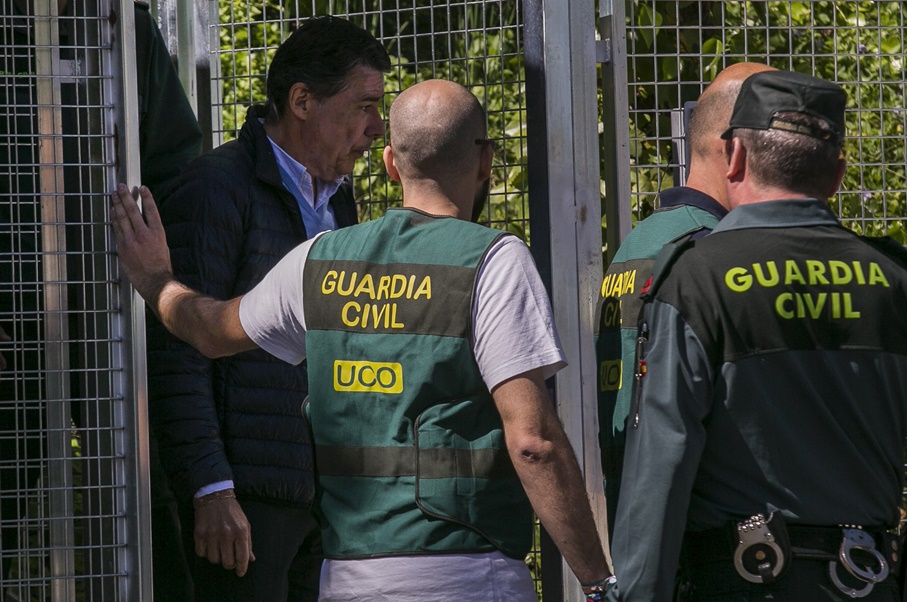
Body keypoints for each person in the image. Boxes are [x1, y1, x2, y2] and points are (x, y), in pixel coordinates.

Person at [111, 78, 614, 602]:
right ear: (485, 160)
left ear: (393, 165)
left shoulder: (320, 259)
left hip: (349, 579)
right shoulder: (495, 260)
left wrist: (155, 280)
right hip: (468, 574)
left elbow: (210, 332)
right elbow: (533, 443)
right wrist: (597, 581)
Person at [607, 69, 907, 601]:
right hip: (866, 582)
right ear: (836, 174)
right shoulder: (903, 285)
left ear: (735, 159)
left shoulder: (696, 280)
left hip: (736, 583)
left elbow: (661, 468)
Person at [144, 14, 391, 602]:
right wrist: (211, 487)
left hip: (324, 501)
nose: (377, 128)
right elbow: (177, 350)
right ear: (302, 100)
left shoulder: (342, 200)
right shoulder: (216, 188)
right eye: (364, 106)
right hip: (242, 508)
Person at [0, 1, 202, 597]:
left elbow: (176, 165)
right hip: (12, 319)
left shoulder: (122, 24)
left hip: (109, 312)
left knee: (139, 488)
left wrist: (161, 275)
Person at [595, 62, 775, 537]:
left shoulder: (641, 242)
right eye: (775, 146)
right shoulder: (709, 252)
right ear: (734, 149)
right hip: (707, 534)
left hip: (643, 522)